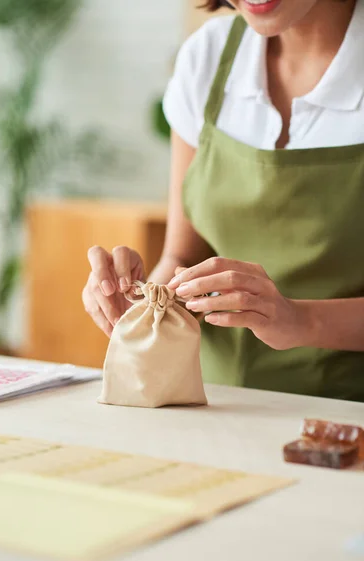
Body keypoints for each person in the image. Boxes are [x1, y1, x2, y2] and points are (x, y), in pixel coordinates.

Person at [82, 0, 364, 402]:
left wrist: (300, 319)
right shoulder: (207, 58)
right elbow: (182, 256)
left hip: (344, 417)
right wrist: (140, 298)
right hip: (210, 404)